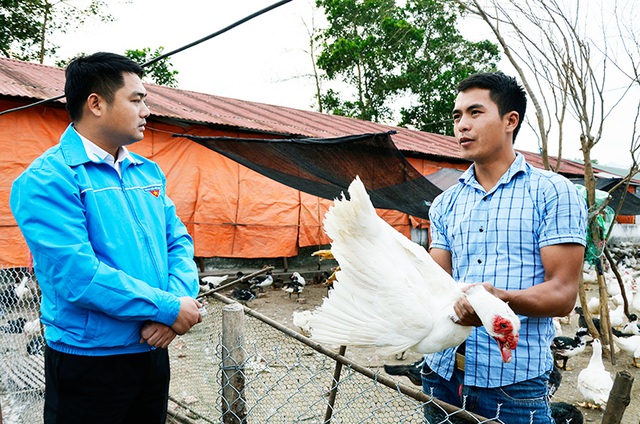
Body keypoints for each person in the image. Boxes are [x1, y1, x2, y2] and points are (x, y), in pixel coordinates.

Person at [10, 52, 202, 424]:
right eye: (137, 99)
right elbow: (77, 276)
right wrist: (166, 308)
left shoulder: (147, 172)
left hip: (151, 347)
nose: (146, 110)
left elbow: (178, 243)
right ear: (95, 103)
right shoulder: (48, 179)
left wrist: (176, 304)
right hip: (89, 361)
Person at [422, 72, 587, 423]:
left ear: (510, 120)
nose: (462, 125)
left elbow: (562, 294)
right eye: (457, 116)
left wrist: (496, 302)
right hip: (442, 374)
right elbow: (434, 284)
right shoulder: (445, 204)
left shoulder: (553, 193)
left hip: (513, 384)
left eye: (475, 113)